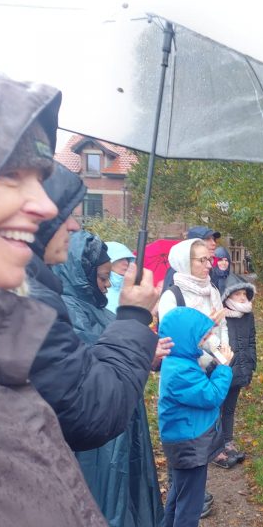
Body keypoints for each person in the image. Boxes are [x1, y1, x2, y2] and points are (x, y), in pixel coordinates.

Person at [0, 64, 122, 527]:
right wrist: (129, 325)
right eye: (9, 175)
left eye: (39, 180)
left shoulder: (7, 347)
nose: (45, 208)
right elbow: (89, 408)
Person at [25, 162, 160, 452]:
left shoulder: (41, 294)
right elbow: (90, 407)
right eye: (64, 215)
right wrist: (135, 316)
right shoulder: (36, 305)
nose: (74, 226)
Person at [51, 230, 164, 527]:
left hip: (119, 423)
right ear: (80, 275)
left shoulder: (98, 310)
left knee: (116, 507)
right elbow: (89, 375)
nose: (105, 284)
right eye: (102, 277)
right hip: (94, 443)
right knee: (96, 513)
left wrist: (147, 356)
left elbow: (112, 359)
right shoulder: (67, 314)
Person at [158, 238, 228, 517]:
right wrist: (207, 331)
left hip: (212, 367)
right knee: (185, 432)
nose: (207, 265)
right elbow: (173, 340)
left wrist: (222, 356)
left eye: (207, 259)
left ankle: (196, 489)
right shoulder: (173, 296)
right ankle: (184, 496)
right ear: (184, 263)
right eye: (200, 260)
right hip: (187, 375)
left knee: (204, 428)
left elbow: (222, 327)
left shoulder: (211, 289)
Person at [158, 307, 233, 527]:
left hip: (183, 439)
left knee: (179, 494)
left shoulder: (180, 360)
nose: (205, 343)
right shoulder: (181, 371)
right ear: (185, 337)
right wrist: (224, 367)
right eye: (201, 338)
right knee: (191, 502)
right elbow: (212, 395)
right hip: (189, 443)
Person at [214, 272, 258, 468]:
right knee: (218, 408)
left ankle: (227, 441)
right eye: (237, 294)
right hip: (224, 370)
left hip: (241, 369)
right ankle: (216, 448)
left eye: (244, 294)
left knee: (230, 408)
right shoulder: (221, 317)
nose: (242, 298)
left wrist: (250, 366)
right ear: (228, 296)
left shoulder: (248, 315)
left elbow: (251, 341)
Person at [163, 225, 221, 292]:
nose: (214, 243)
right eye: (208, 239)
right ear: (194, 243)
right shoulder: (178, 270)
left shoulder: (209, 267)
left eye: (214, 239)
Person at [105, 240, 135, 313]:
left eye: (128, 259)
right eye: (121, 259)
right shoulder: (97, 290)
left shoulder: (133, 289)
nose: (126, 263)